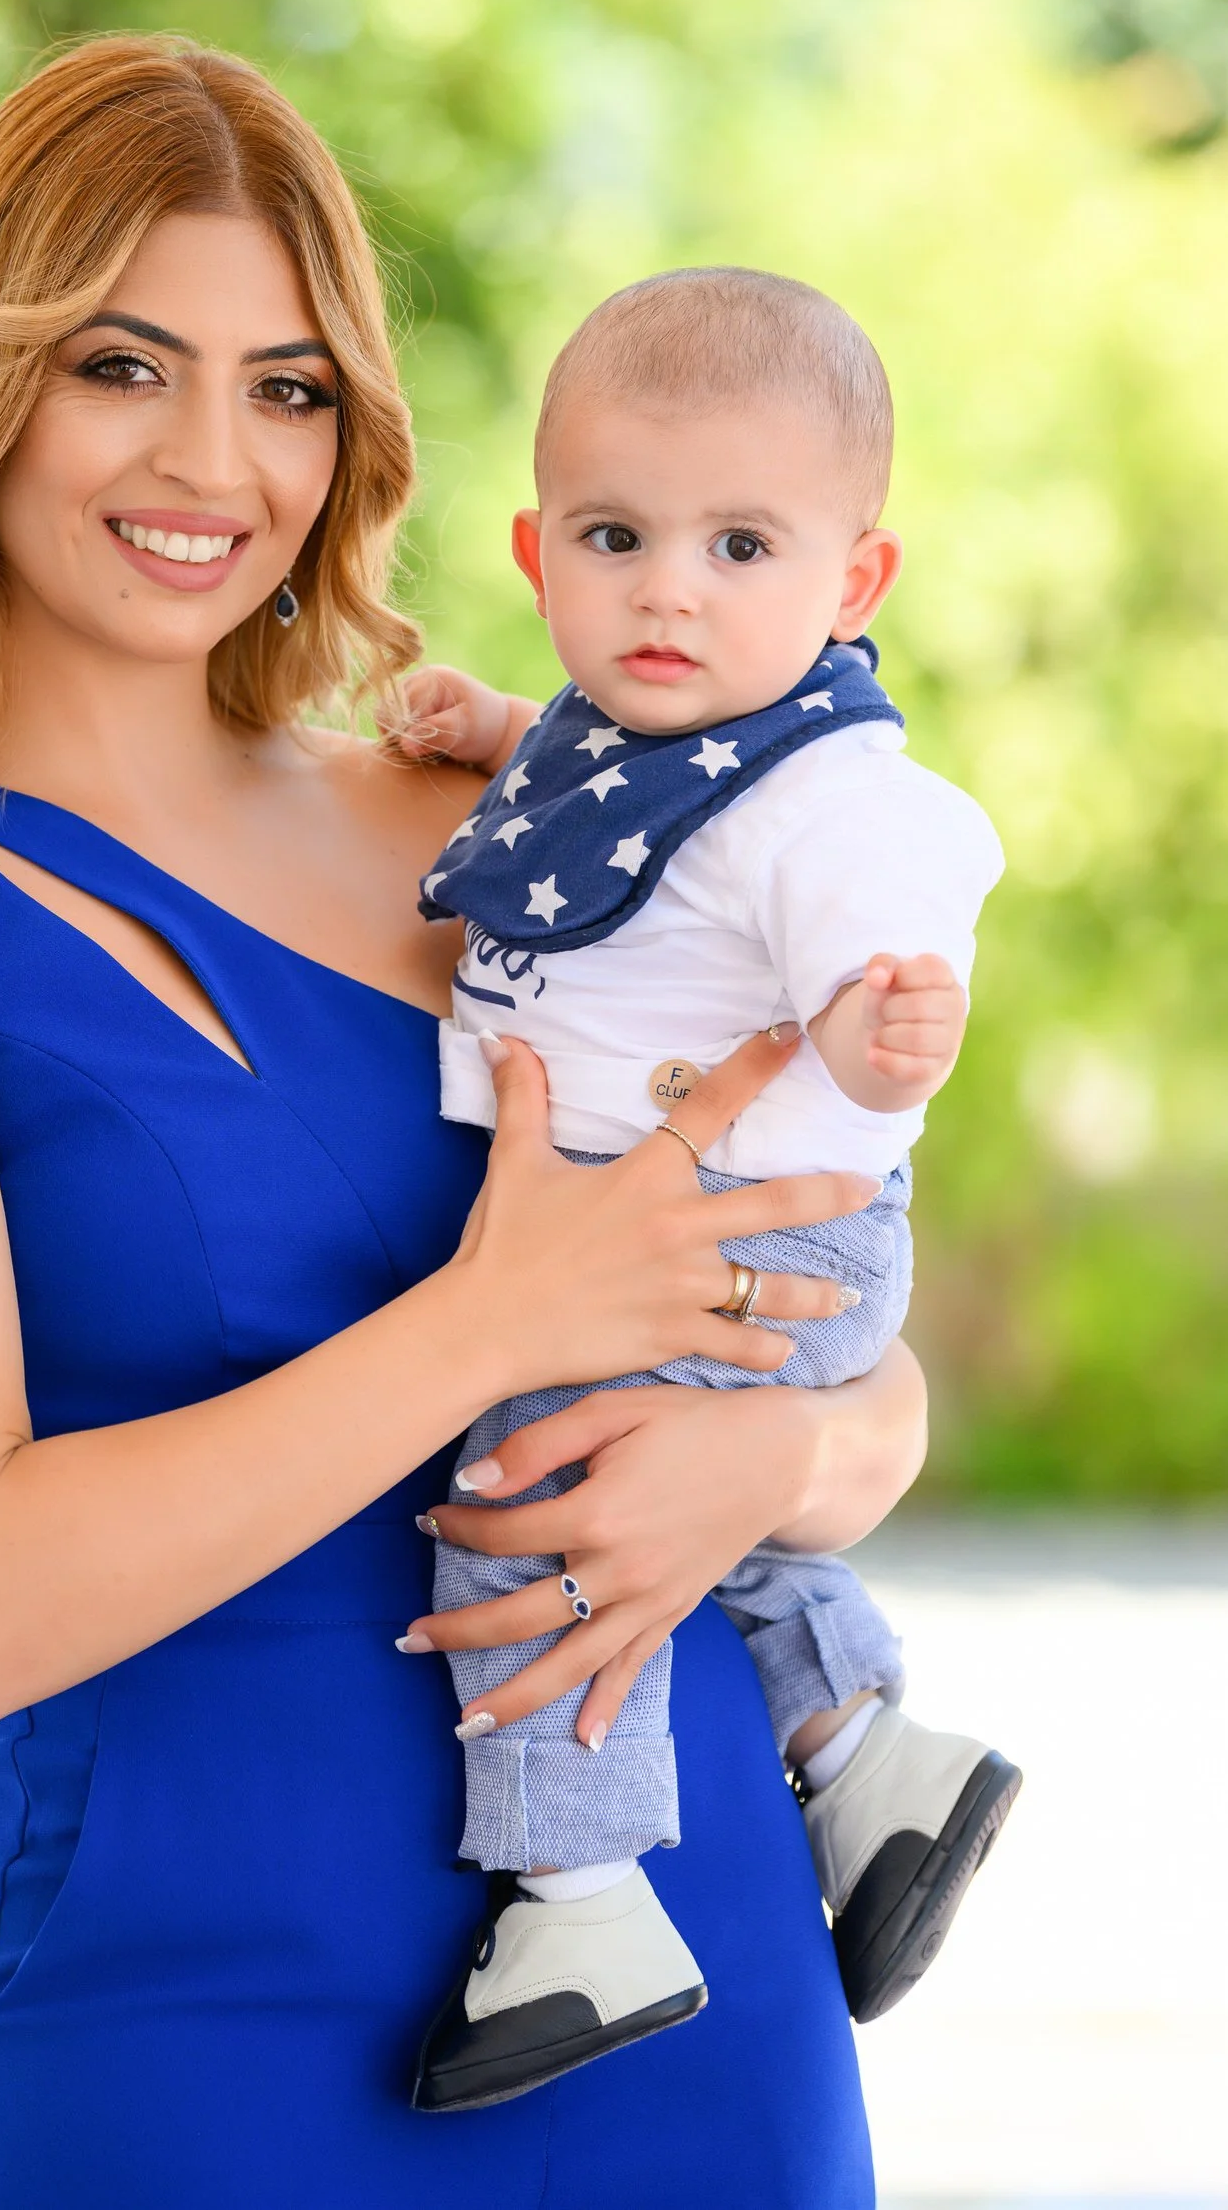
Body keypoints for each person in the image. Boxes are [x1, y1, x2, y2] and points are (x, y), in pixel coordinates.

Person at [0, 37, 930, 2209]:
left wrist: (783, 1453)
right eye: (119, 363)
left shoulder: (503, 825)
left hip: (689, 1988)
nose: (210, 456)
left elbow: (846, 1319)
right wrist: (476, 1329)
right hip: (176, 2043)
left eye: (284, 385)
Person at [396, 269, 1021, 2112]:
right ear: (535, 550)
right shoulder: (647, 733)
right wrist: (499, 729)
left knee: (536, 1502)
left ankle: (580, 1904)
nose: (669, 587)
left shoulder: (840, 800)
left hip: (745, 1229)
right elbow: (633, 812)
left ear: (852, 584)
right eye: (616, 536)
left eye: (739, 543)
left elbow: (863, 937)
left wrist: (881, 1029)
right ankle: (865, 1755)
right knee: (706, 1520)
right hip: (692, 1226)